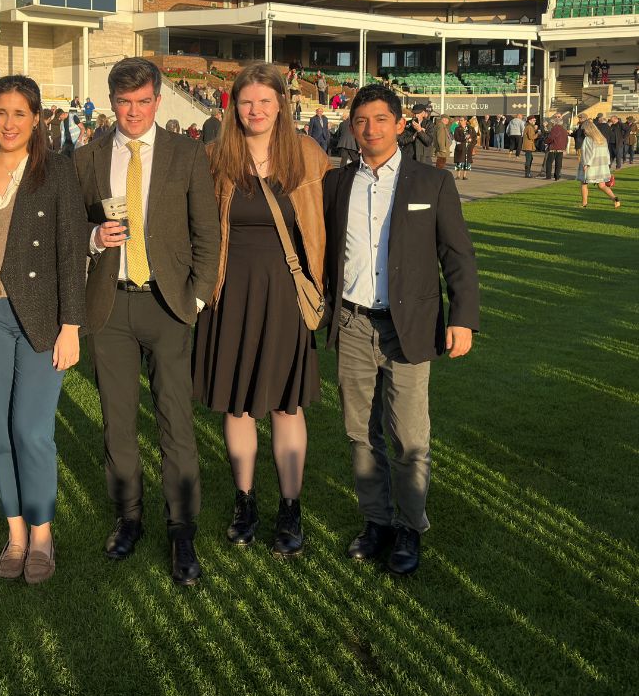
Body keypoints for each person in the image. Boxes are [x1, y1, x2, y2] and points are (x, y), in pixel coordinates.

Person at [73, 58, 221, 586]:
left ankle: (182, 530)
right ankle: (128, 516)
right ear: (111, 102)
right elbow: (75, 229)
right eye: (124, 102)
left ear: (158, 101)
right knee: (118, 423)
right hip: (110, 306)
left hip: (168, 305)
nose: (133, 113)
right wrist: (94, 238)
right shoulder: (88, 155)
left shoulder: (185, 154)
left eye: (142, 102)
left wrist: (197, 300)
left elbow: (207, 233)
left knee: (175, 423)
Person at [323, 84, 479, 576]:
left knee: (410, 437)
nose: (370, 129)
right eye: (361, 121)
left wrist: (463, 318)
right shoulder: (337, 184)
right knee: (358, 433)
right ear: (352, 127)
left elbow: (457, 256)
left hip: (409, 327)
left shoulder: (431, 182)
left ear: (398, 123)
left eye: (380, 119)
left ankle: (411, 527)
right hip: (351, 322)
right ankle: (377, 522)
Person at [193, 63, 329, 556]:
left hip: (286, 296)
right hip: (229, 295)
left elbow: (327, 223)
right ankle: (245, 500)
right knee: (238, 402)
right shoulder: (214, 158)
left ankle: (290, 508)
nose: (255, 110)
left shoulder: (308, 156)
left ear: (280, 106)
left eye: (265, 102)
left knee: (284, 404)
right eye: (247, 102)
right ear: (234, 106)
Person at [0, 75, 88, 584]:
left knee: (31, 432)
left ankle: (41, 534)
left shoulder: (55, 172)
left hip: (41, 317)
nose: (9, 123)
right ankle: (15, 534)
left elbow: (71, 249)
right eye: (1, 112)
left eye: (20, 113)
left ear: (37, 119)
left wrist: (71, 326)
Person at [578, 120, 621, 209]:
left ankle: (584, 203)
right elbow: (606, 152)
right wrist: (607, 163)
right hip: (601, 165)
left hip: (591, 165)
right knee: (602, 185)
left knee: (584, 184)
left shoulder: (588, 139)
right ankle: (615, 199)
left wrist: (586, 164)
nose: (584, 132)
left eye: (584, 130)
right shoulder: (602, 139)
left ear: (588, 129)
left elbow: (589, 153)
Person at [543, 116, 567, 180]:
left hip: (553, 148)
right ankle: (557, 176)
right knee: (558, 163)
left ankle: (548, 176)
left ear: (555, 123)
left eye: (553, 123)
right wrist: (564, 148)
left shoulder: (554, 129)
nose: (552, 124)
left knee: (549, 162)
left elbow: (551, 138)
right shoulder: (564, 130)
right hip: (561, 148)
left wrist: (545, 141)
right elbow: (566, 140)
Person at [452, 116, 475, 180]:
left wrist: (472, 143)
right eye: (459, 120)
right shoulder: (457, 129)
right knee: (459, 160)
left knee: (467, 161)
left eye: (461, 120)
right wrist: (465, 138)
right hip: (460, 147)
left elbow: (474, 137)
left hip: (468, 147)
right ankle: (458, 175)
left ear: (465, 121)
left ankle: (464, 176)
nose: (460, 121)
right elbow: (456, 138)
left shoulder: (471, 128)